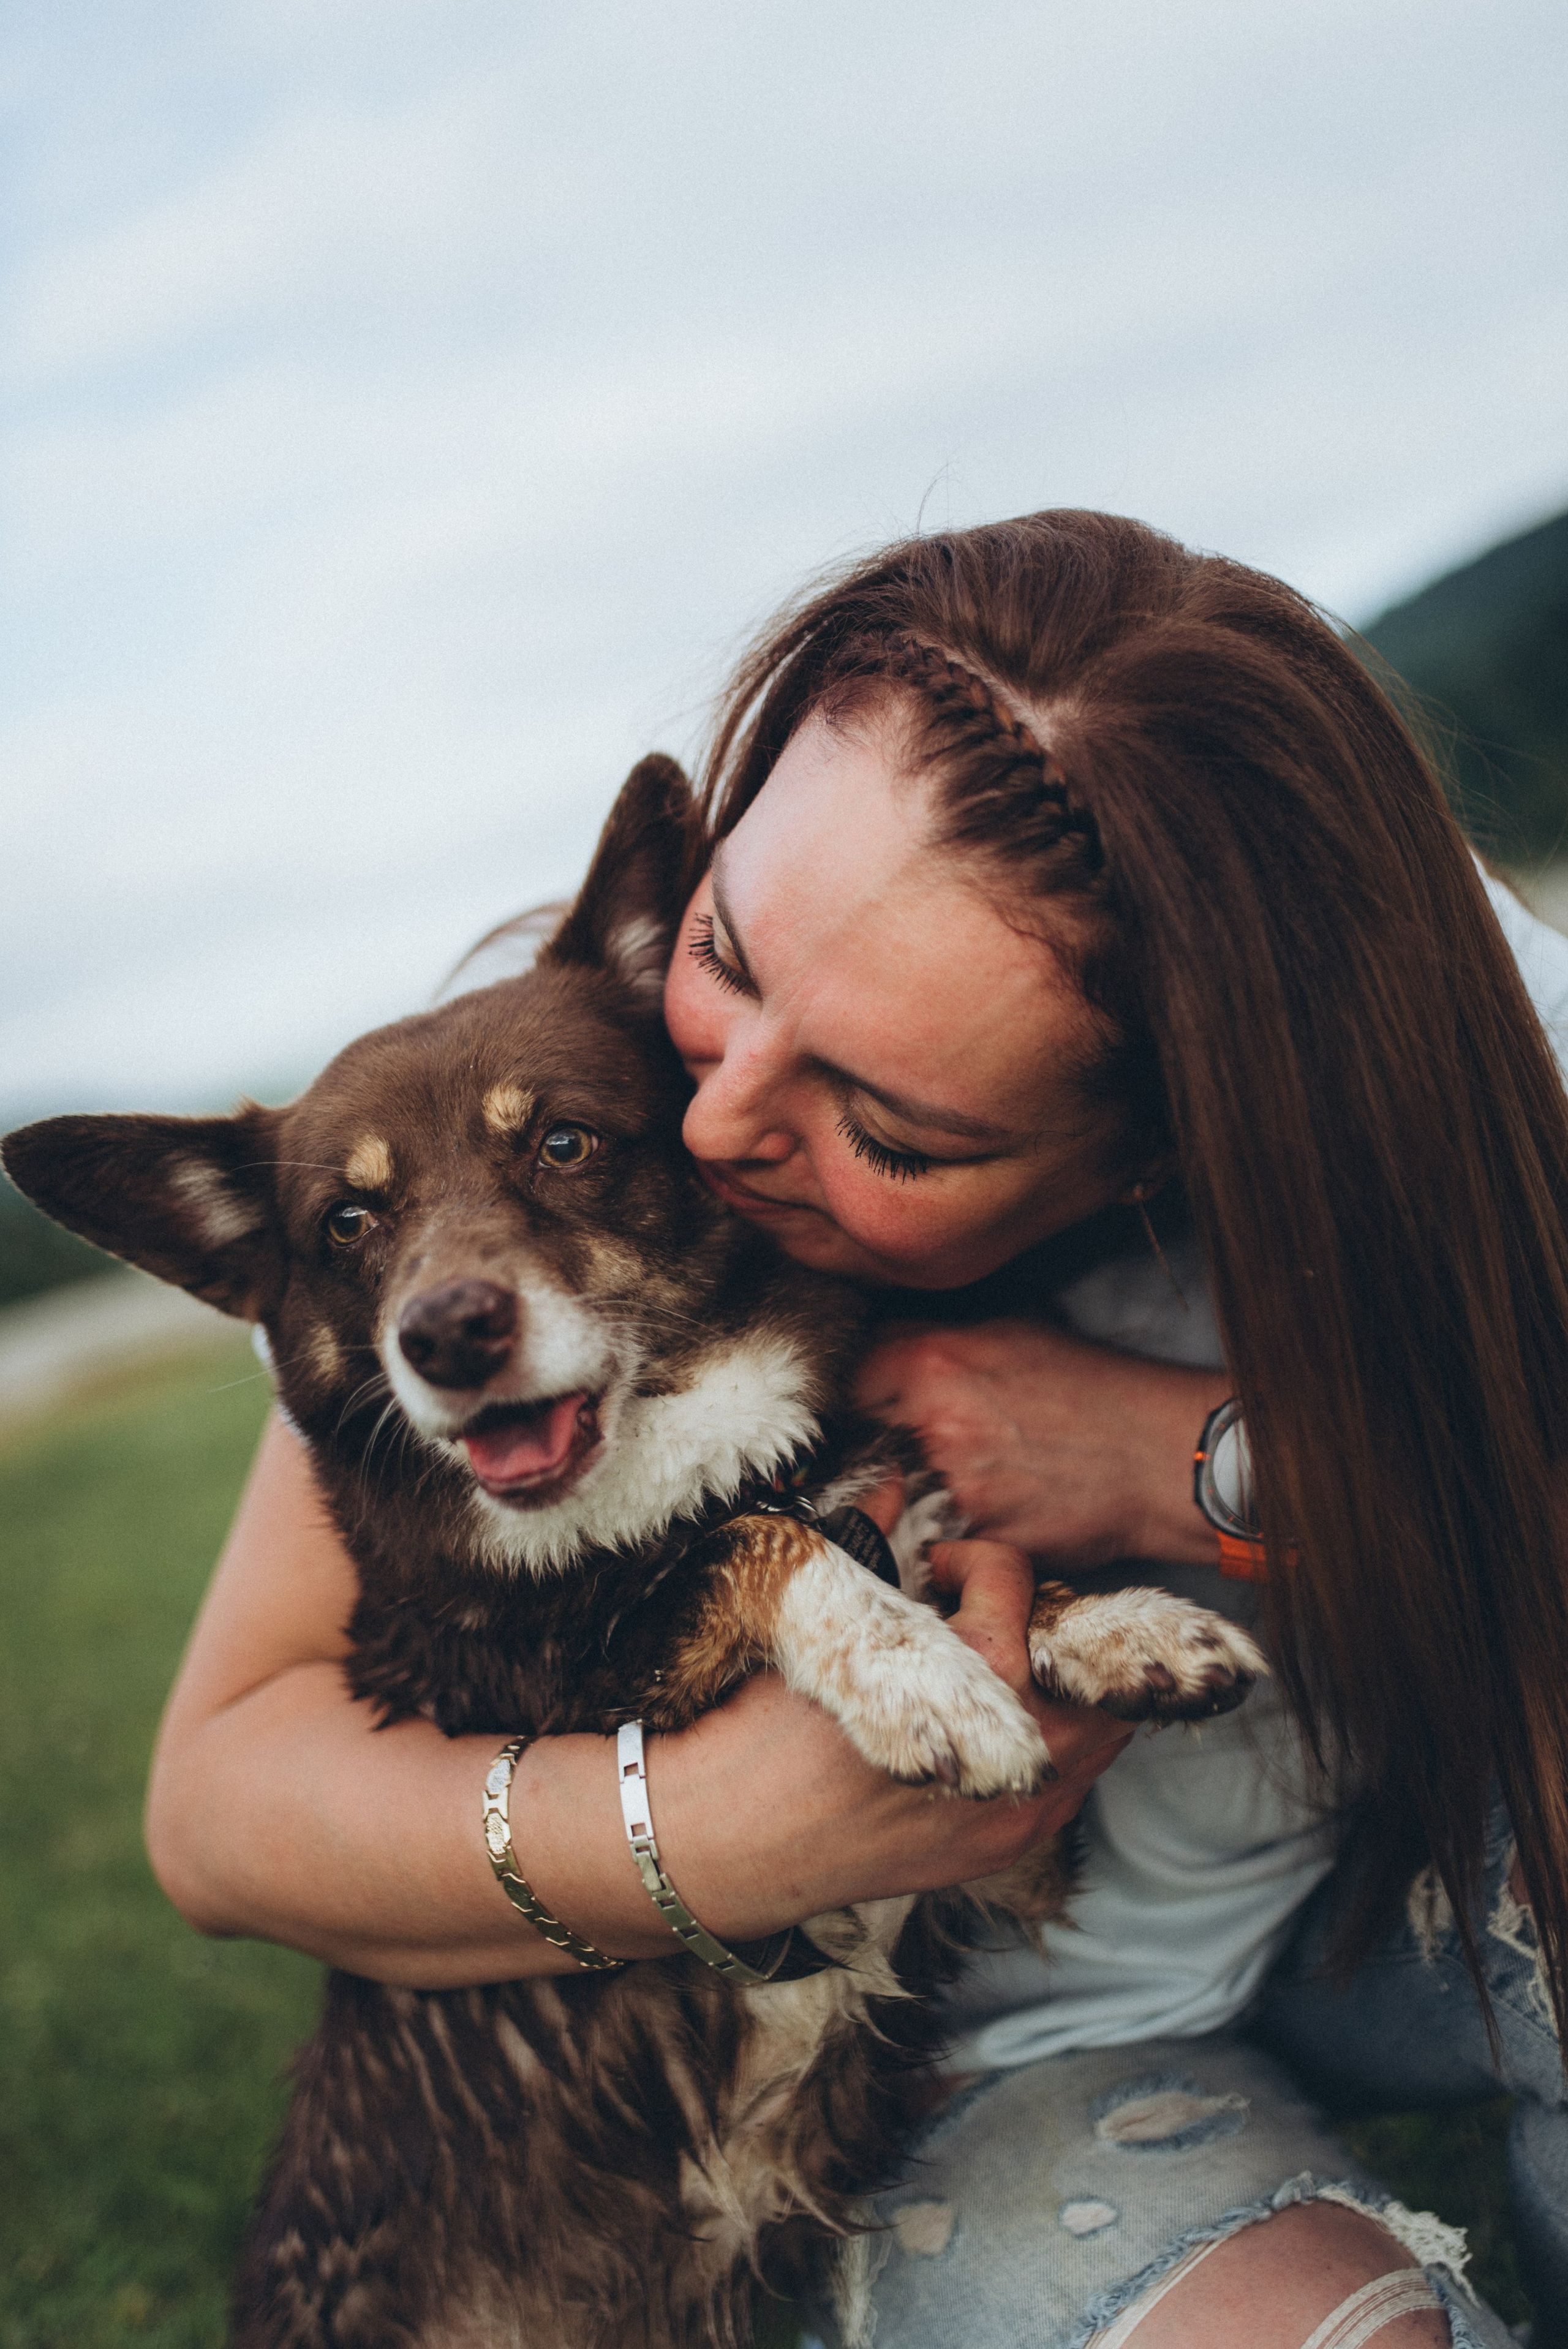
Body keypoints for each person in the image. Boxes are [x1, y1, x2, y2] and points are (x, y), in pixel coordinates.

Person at [146, 511, 1568, 2349]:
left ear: (1170, 1140)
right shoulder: (547, 1110)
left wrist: (1181, 1455)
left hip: (1387, 1864)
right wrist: (716, 1833)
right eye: (730, 957)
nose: (721, 1122)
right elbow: (220, 1809)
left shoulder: (1453, 1053)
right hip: (945, 2061)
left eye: (887, 1127)